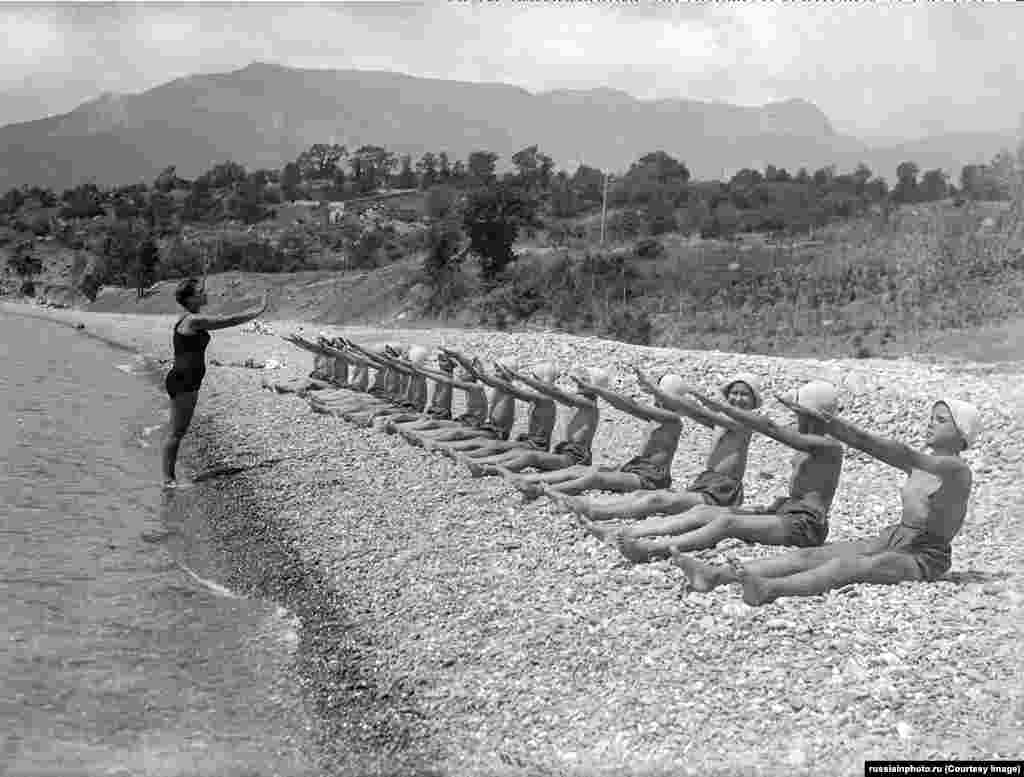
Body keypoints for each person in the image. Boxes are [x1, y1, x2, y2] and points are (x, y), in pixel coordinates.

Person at [670, 398, 980, 606]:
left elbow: (900, 451)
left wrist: (839, 428)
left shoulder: (957, 470)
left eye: (940, 420)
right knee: (814, 556)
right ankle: (713, 574)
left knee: (855, 565)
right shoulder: (922, 465)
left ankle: (770, 589)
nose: (930, 423)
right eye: (932, 418)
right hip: (897, 535)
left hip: (925, 555)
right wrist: (840, 428)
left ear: (961, 433)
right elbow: (880, 450)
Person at [608, 380, 845, 563]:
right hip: (788, 510)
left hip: (806, 525)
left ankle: (652, 549)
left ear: (809, 414)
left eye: (798, 412)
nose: (795, 416)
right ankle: (627, 530)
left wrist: (704, 399)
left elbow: (773, 429)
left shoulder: (829, 446)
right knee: (703, 512)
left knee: (727, 523)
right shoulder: (808, 439)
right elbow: (703, 414)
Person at [560, 371, 758, 525]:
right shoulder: (721, 422)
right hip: (706, 482)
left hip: (720, 490)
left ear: (753, 401)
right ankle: (585, 504)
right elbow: (628, 407)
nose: (738, 398)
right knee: (641, 495)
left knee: (656, 499)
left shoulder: (744, 423)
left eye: (744, 395)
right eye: (734, 393)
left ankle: (592, 510)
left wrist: (597, 389)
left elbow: (691, 409)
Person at [162, 278, 268, 487]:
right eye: (200, 291)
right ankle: (168, 480)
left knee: (179, 431)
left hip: (188, 381)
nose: (205, 293)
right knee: (176, 432)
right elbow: (226, 320)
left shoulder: (191, 318)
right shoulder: (192, 320)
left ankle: (169, 477)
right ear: (191, 298)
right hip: (183, 381)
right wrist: (257, 311)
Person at [466, 367, 608, 497]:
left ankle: (486, 468)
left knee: (530, 456)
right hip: (566, 451)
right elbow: (555, 392)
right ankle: (479, 461)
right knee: (515, 452)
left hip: (575, 457)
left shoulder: (588, 405)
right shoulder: (579, 401)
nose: (579, 382)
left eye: (585, 380)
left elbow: (553, 393)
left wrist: (520, 378)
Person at [454, 361, 559, 460]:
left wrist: (518, 376)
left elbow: (510, 388)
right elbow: (491, 381)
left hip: (525, 441)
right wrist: (478, 373)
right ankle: (462, 454)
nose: (532, 379)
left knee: (499, 447)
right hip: (508, 433)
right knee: (485, 442)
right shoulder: (538, 398)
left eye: (535, 377)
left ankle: (467, 458)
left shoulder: (544, 399)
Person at [419, 350, 519, 455]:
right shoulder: (498, 387)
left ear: (507, 373)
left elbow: (472, 377)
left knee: (457, 432)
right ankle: (432, 440)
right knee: (445, 427)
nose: (494, 374)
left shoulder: (501, 387)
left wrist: (459, 358)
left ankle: (439, 445)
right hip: (486, 425)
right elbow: (477, 375)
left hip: (494, 431)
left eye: (498, 371)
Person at [384, 350, 458, 432]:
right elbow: (407, 368)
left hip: (437, 412)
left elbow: (426, 371)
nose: (440, 363)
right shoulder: (431, 373)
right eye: (439, 360)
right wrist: (392, 361)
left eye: (443, 361)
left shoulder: (446, 375)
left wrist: (392, 360)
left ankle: (406, 429)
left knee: (415, 419)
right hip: (430, 409)